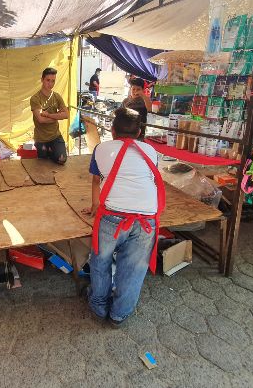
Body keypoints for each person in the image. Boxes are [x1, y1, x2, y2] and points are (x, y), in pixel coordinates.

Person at [81, 107, 165, 327]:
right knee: (134, 269)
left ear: (112, 130)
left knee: (101, 261)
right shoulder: (150, 151)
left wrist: (94, 206)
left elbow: (96, 181)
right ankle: (119, 314)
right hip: (146, 219)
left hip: (112, 216)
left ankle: (98, 306)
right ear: (139, 133)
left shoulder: (101, 149)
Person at [30, 67, 69, 165]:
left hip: (55, 136)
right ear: (42, 80)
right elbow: (41, 120)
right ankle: (50, 151)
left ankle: (52, 151)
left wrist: (48, 115)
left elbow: (66, 114)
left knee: (62, 159)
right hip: (41, 138)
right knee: (43, 162)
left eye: (53, 81)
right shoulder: (35, 98)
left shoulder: (57, 96)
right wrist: (57, 117)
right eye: (48, 80)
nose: (50, 84)